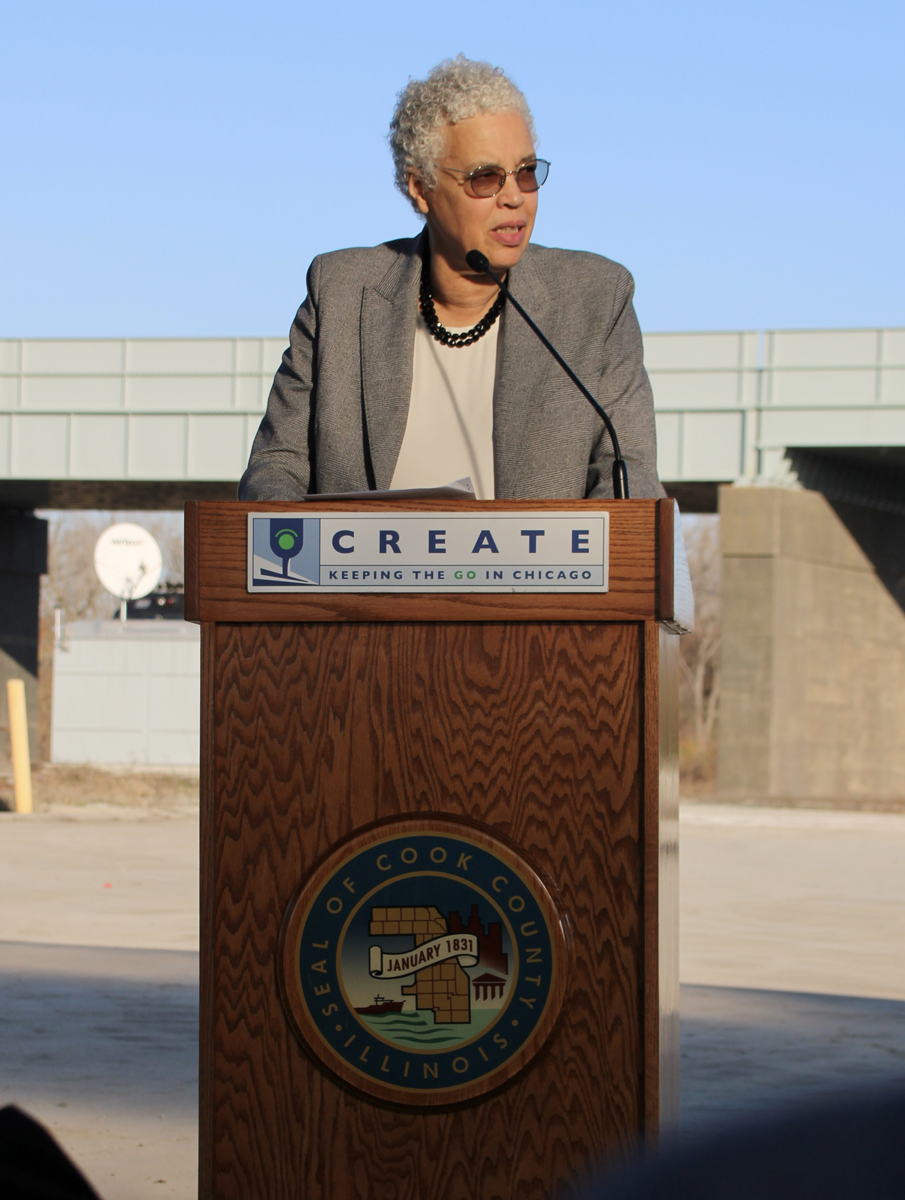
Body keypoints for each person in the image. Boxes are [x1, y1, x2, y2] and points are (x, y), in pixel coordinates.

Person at [239, 56, 663, 502]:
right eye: (486, 178)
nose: (515, 197)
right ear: (421, 189)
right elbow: (274, 469)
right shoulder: (340, 292)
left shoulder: (598, 299)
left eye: (526, 172)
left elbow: (629, 478)